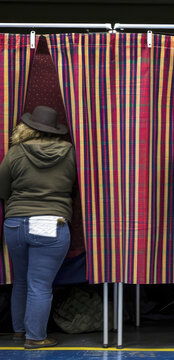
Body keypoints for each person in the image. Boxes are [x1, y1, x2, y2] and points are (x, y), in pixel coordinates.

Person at [0, 106, 76, 349]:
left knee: (21, 281)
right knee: (39, 284)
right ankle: (36, 337)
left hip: (15, 223)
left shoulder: (15, 153)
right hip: (50, 223)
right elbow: (78, 188)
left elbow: (2, 190)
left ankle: (19, 332)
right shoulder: (71, 153)